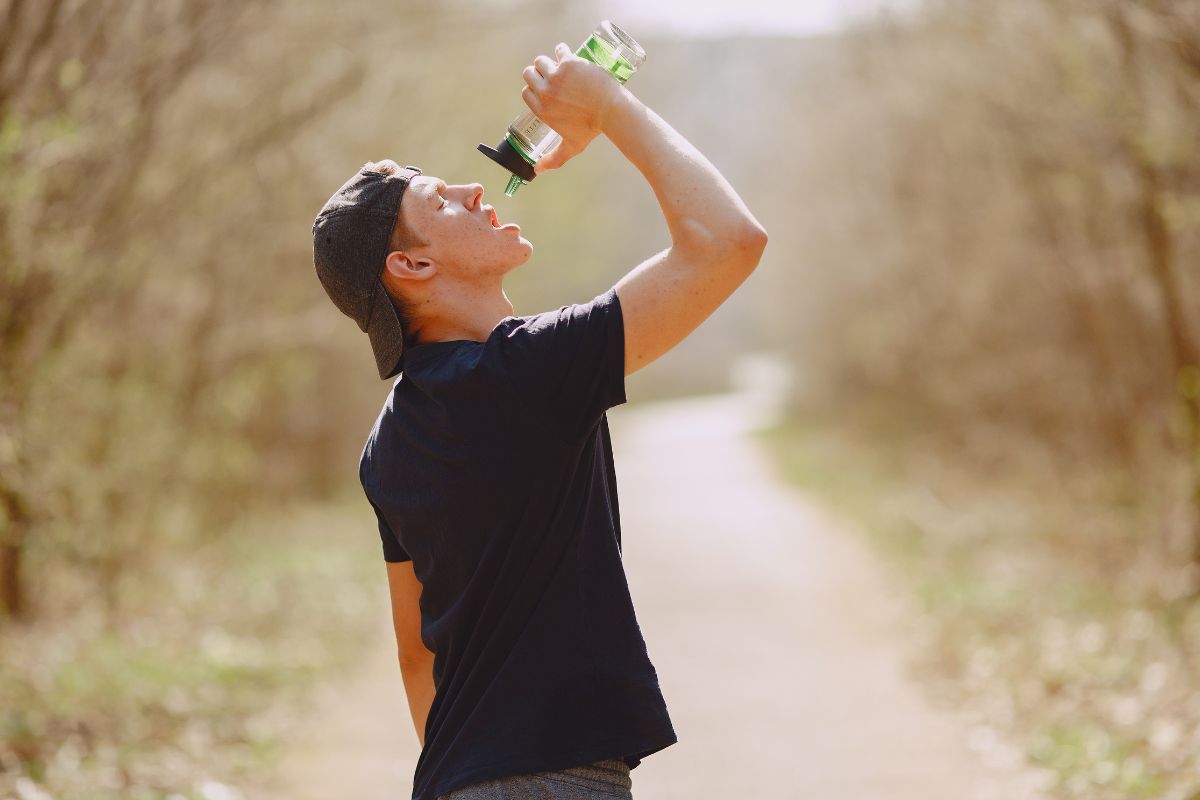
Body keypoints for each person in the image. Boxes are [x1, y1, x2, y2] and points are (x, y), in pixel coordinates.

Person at [311, 41, 767, 800]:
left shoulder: (386, 443)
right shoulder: (526, 374)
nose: (469, 187)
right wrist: (610, 109)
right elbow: (728, 241)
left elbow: (418, 656)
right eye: (438, 202)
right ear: (413, 268)